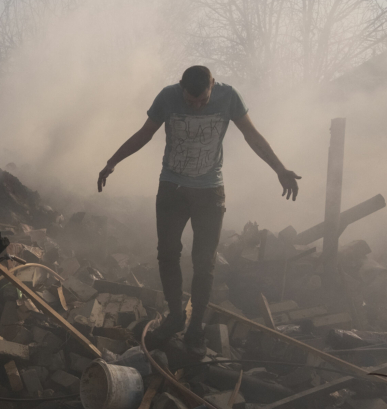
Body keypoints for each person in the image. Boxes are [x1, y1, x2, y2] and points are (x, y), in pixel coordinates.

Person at [97, 65, 300, 355]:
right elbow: (145, 134)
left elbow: (252, 136)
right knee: (167, 254)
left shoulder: (229, 97)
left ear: (212, 86)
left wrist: (280, 168)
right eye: (190, 102)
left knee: (204, 261)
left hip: (209, 192)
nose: (196, 106)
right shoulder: (167, 97)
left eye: (202, 101)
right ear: (181, 87)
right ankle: (175, 317)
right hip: (172, 189)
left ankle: (195, 328)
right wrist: (112, 162)